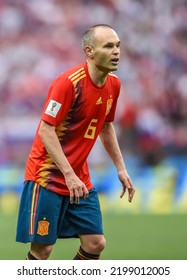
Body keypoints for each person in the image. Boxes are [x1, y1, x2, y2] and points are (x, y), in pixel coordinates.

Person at [16, 23, 135, 260]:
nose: (116, 52)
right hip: (47, 176)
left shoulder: (114, 84)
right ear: (90, 51)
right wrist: (68, 175)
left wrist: (121, 168)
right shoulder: (68, 83)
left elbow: (106, 126)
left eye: (118, 46)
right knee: (42, 250)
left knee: (95, 243)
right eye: (109, 46)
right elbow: (45, 130)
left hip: (79, 177)